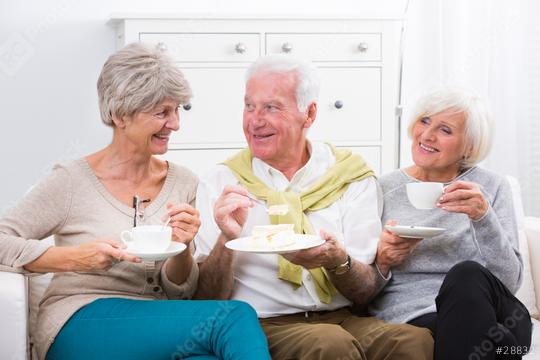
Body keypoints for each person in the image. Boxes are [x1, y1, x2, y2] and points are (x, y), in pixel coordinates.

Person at [0, 43, 270, 360]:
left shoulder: (184, 182)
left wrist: (182, 248)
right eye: (161, 113)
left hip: (157, 325)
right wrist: (76, 258)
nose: (175, 124)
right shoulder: (72, 181)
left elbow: (182, 291)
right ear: (119, 115)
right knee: (233, 317)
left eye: (177, 110)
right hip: (80, 322)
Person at [193, 54, 433, 360]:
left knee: (413, 341)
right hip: (263, 324)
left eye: (271, 107)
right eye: (249, 106)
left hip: (343, 318)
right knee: (329, 343)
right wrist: (227, 238)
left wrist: (337, 260)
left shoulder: (349, 176)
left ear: (309, 114)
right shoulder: (222, 182)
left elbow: (365, 291)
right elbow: (205, 299)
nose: (254, 120)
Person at [371, 88, 532, 360]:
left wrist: (483, 217)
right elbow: (365, 284)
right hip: (417, 314)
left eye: (445, 130)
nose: (427, 135)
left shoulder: (490, 187)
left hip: (498, 311)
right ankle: (502, 348)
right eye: (424, 121)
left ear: (469, 146)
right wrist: (383, 259)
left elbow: (509, 281)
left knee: (467, 274)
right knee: (499, 345)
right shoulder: (383, 188)